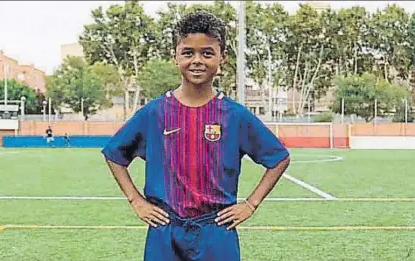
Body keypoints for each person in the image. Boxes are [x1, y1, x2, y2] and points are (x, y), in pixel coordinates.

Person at [102, 10, 290, 261]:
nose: (197, 60)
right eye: (188, 52)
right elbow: (115, 154)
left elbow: (279, 158)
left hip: (217, 230)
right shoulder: (155, 112)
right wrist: (136, 200)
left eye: (207, 53)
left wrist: (250, 204)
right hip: (165, 229)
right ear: (175, 57)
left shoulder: (235, 115)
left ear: (222, 58)